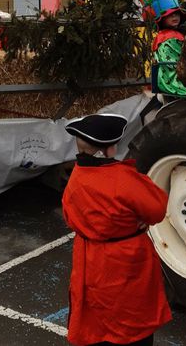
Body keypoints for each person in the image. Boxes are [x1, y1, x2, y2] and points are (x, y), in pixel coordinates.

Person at [62, 114, 171, 346]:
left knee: (96, 320)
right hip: (126, 261)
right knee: (133, 323)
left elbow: (70, 218)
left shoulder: (76, 178)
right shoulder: (124, 179)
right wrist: (139, 220)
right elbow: (157, 209)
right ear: (110, 149)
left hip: (91, 261)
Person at [150, 0, 186, 97]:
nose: (175, 17)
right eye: (170, 15)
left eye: (176, 14)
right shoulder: (170, 38)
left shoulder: (168, 34)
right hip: (174, 81)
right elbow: (182, 61)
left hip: (167, 77)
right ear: (162, 19)